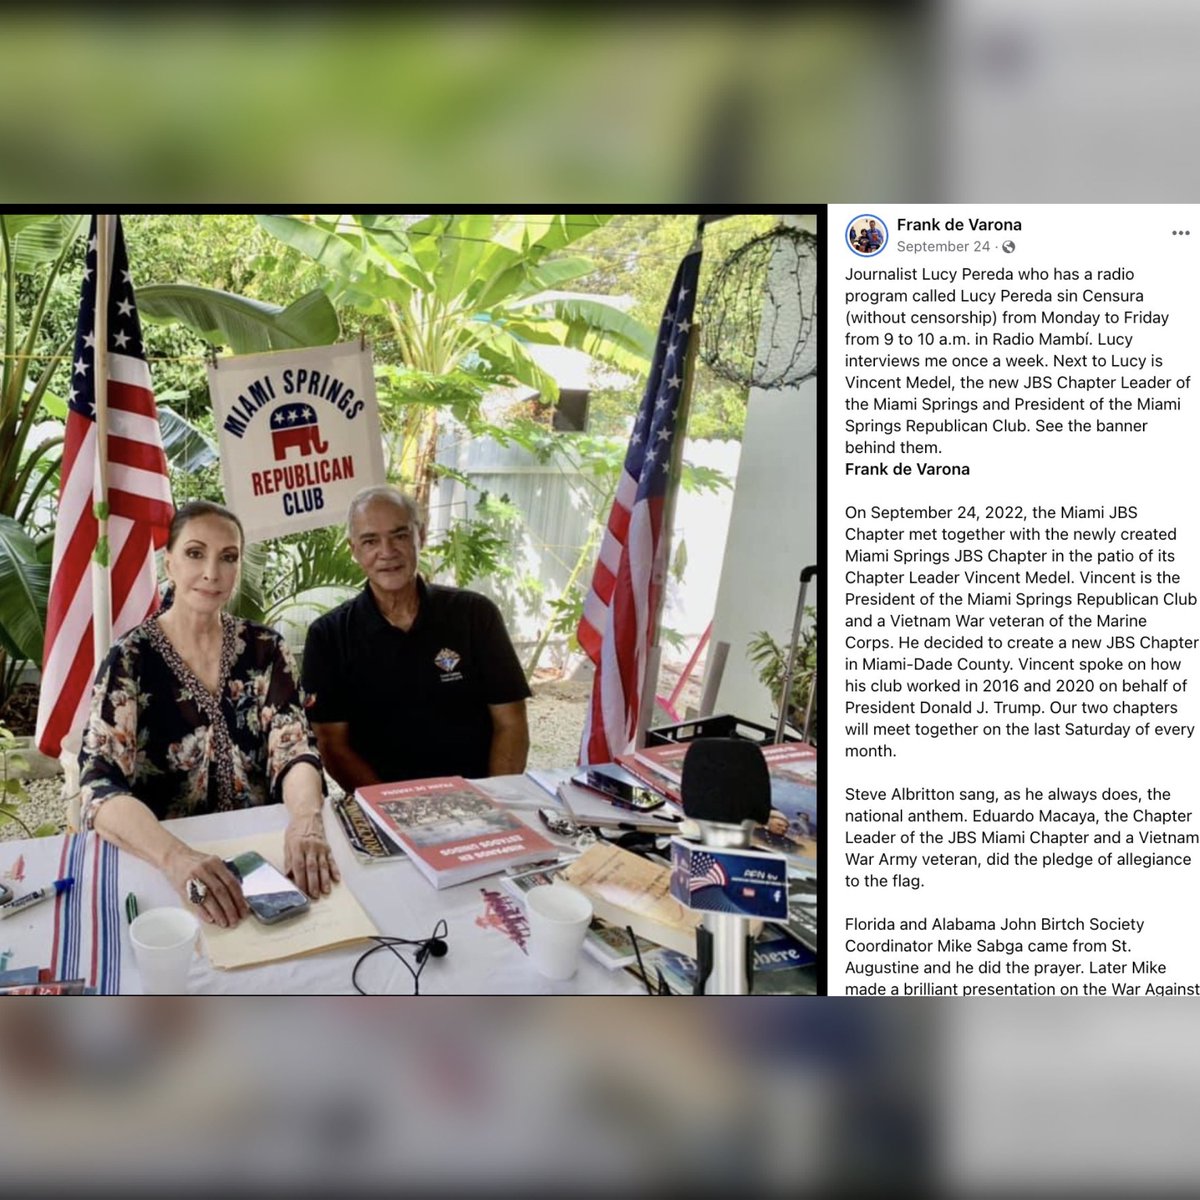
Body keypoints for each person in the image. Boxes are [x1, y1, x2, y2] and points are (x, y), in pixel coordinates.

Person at [79, 500, 340, 928]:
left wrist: (306, 822)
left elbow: (295, 751)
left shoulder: (266, 649)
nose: (212, 573)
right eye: (195, 553)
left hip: (264, 855)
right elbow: (100, 787)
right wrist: (176, 858)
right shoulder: (131, 657)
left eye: (228, 557)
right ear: (169, 563)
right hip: (163, 860)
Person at [302, 485, 530, 791]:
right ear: (353, 549)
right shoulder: (328, 636)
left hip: (477, 798)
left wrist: (495, 798)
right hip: (383, 804)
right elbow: (331, 743)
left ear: (420, 536)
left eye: (399, 535)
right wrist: (393, 807)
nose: (387, 552)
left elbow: (510, 722)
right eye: (370, 541)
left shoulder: (475, 615)